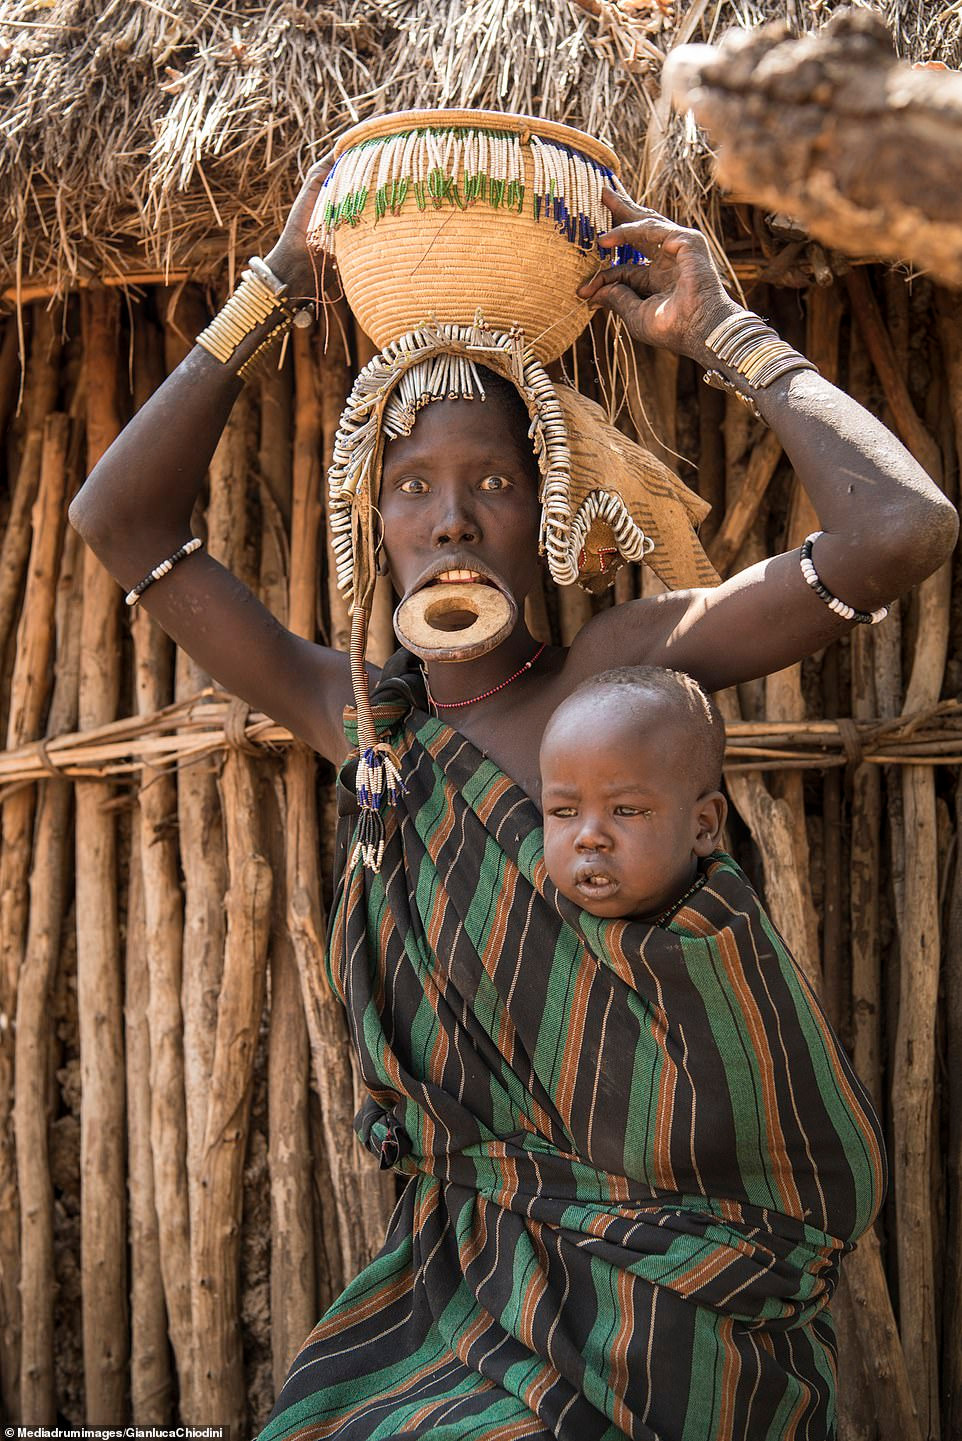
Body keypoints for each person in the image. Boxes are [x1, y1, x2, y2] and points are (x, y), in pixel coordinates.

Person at [68, 150, 954, 1439]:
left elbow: (899, 533)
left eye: (491, 481)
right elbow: (120, 523)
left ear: (548, 507)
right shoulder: (357, 722)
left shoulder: (619, 669)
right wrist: (273, 285)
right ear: (374, 523)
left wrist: (718, 327)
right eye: (412, 486)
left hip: (681, 1279)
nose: (450, 518)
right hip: (473, 1281)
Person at [539, 666, 729, 923]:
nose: (589, 837)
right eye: (564, 812)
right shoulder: (521, 921)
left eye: (626, 811)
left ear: (703, 826)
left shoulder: (736, 947)